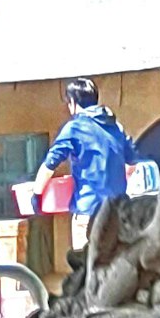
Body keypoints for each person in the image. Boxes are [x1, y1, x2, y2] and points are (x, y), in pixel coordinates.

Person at [36, 77, 133, 220]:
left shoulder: (74, 128)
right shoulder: (116, 126)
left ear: (73, 103)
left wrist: (37, 195)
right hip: (119, 213)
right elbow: (132, 163)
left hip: (88, 211)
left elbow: (49, 165)